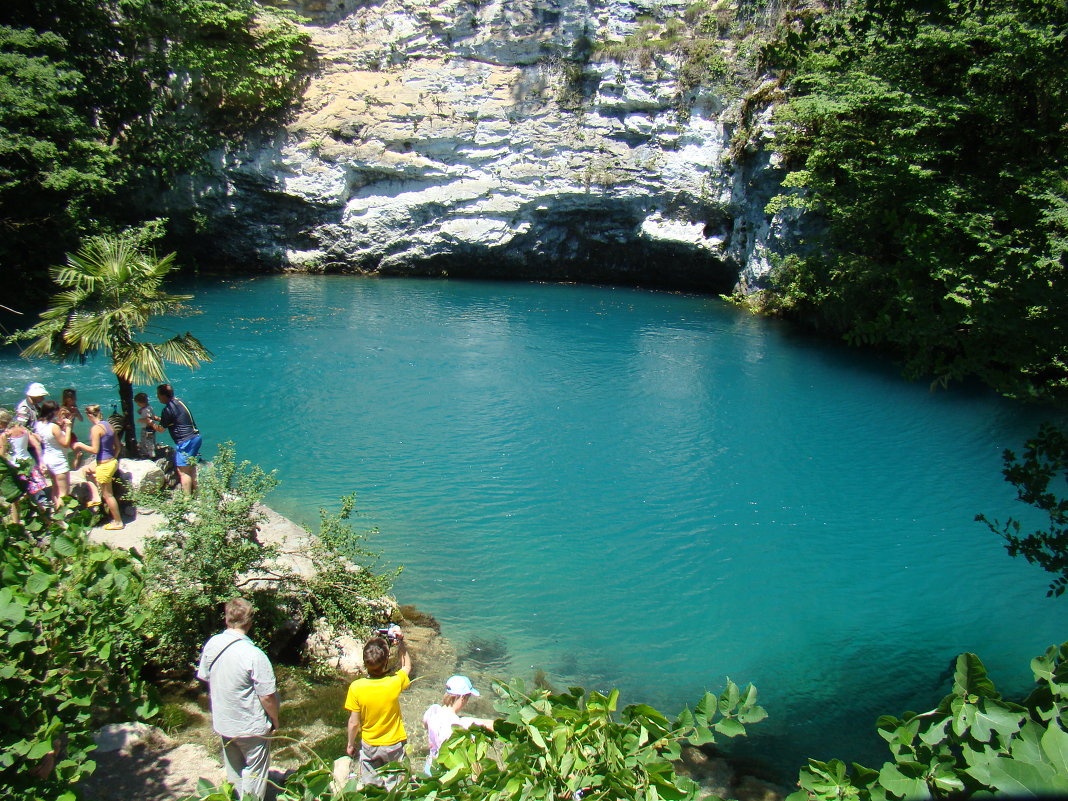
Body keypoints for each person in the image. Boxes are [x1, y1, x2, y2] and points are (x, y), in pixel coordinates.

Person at [197, 598, 280, 801]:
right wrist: (275, 721)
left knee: (234, 773)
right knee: (255, 773)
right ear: (250, 622)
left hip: (224, 723)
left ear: (226, 618)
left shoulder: (212, 644)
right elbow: (267, 696)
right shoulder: (254, 655)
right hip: (250, 727)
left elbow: (205, 676)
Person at [344, 627, 412, 788]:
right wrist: (401, 643)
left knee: (371, 785)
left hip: (370, 745)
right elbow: (406, 666)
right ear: (386, 661)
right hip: (394, 744)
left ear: (365, 662)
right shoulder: (394, 682)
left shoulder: (356, 687)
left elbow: (354, 723)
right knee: (395, 785)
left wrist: (350, 744)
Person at [422, 675, 494, 775]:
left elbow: (425, 724)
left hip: (430, 766)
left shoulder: (433, 710)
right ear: (463, 698)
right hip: (445, 773)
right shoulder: (459, 724)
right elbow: (490, 725)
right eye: (468, 697)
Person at [73, 404, 124, 530]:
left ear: (89, 415)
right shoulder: (109, 425)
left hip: (104, 465)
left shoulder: (96, 429)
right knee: (87, 471)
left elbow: (95, 450)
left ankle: (118, 522)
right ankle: (96, 497)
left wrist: (80, 444)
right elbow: (118, 446)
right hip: (112, 462)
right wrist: (113, 458)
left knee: (108, 495)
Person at [147, 383, 201, 495]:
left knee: (183, 471)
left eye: (158, 394)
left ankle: (187, 499)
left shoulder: (167, 409)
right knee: (191, 467)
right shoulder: (179, 402)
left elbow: (161, 429)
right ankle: (198, 494)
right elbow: (175, 419)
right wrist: (156, 418)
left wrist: (150, 423)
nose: (157, 397)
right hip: (195, 437)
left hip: (186, 441)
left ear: (163, 396)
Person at [0, 408, 46, 521]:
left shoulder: (5, 435)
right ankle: (48, 520)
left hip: (15, 467)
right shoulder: (23, 429)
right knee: (37, 495)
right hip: (29, 463)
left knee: (15, 499)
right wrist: (41, 462)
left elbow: (2, 455)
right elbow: (36, 444)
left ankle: (17, 524)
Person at [34, 400, 73, 507]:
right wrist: (68, 428)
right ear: (53, 412)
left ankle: (56, 514)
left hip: (48, 459)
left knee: (55, 489)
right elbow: (65, 443)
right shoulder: (53, 427)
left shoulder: (38, 424)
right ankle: (62, 518)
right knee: (63, 493)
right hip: (59, 460)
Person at [134, 392, 156, 459]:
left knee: (147, 441)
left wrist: (140, 420)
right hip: (152, 428)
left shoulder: (146, 410)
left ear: (141, 403)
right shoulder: (149, 407)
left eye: (138, 403)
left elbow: (148, 419)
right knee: (151, 440)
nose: (137, 405)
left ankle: (149, 454)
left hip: (147, 428)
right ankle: (150, 453)